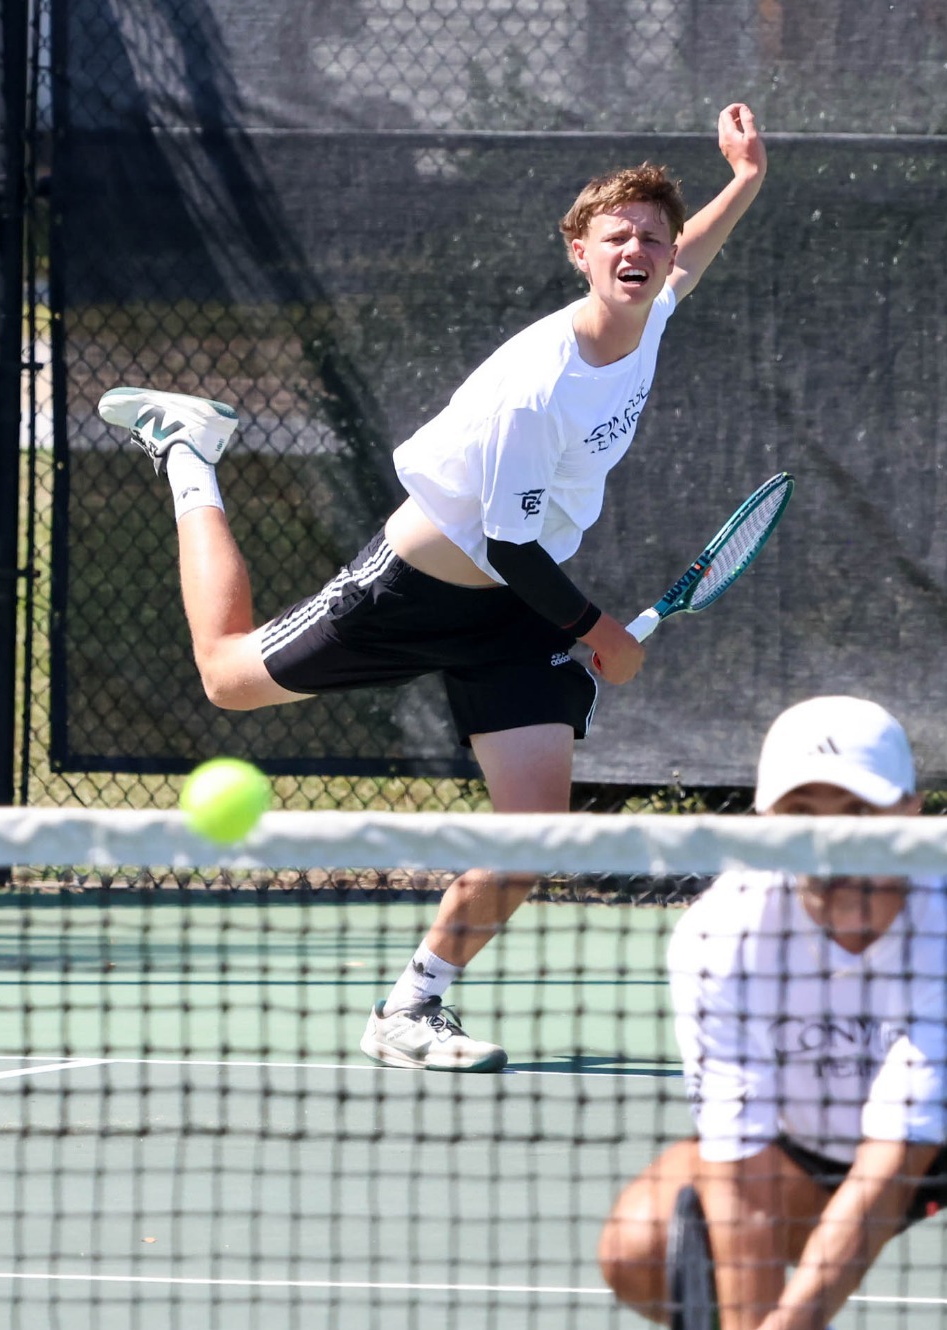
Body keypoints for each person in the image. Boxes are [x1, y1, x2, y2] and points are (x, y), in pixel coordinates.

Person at [99, 105, 769, 1072]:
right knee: (226, 676)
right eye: (616, 236)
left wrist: (744, 179)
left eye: (652, 240)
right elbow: (509, 545)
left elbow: (691, 254)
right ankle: (189, 452)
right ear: (578, 252)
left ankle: (411, 1008)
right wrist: (603, 634)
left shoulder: (653, 301)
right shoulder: (539, 386)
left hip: (516, 612)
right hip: (425, 583)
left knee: (535, 836)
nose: (642, 250)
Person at [599, 696, 947, 1330]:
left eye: (858, 812)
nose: (831, 843)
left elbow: (895, 1158)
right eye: (802, 814)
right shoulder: (718, 937)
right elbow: (743, 1176)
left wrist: (786, 1328)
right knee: (639, 1246)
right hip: (813, 1141)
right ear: (766, 822)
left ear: (910, 813)